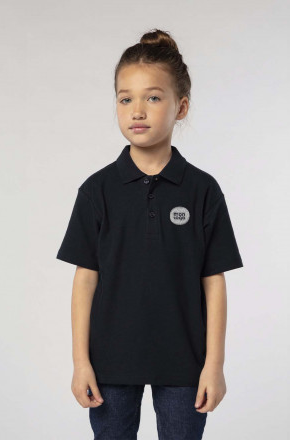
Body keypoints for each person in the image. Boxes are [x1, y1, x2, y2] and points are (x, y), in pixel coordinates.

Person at [56, 28, 243, 440]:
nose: (137, 111)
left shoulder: (203, 190)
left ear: (181, 107)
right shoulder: (96, 191)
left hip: (185, 364)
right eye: (126, 99)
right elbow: (85, 280)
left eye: (153, 98)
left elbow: (214, 282)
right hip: (109, 364)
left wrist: (214, 365)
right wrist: (80, 362)